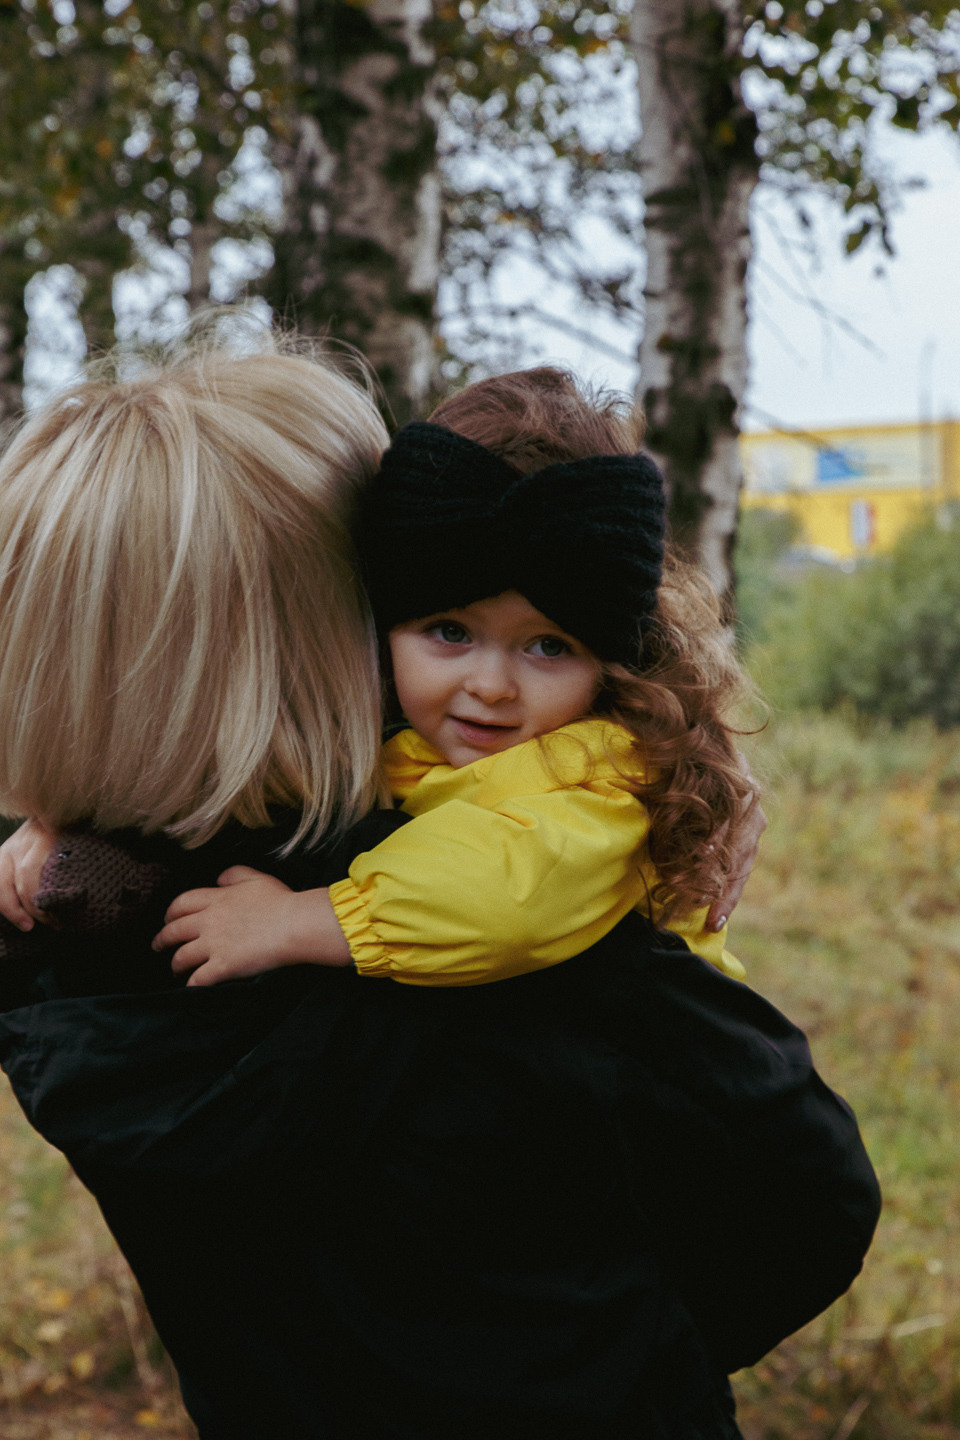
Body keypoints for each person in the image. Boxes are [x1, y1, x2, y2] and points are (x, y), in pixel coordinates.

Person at [0, 321, 880, 1439]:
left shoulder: (68, 917)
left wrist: (51, 816)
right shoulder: (529, 942)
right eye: (433, 619)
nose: (490, 685)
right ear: (341, 622)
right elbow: (810, 1203)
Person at [146, 368, 754, 992]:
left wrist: (303, 921)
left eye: (549, 647)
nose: (491, 685)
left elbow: (508, 894)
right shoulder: (401, 735)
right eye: (450, 632)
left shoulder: (607, 775)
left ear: (612, 666)